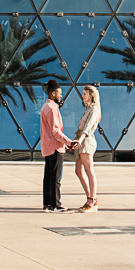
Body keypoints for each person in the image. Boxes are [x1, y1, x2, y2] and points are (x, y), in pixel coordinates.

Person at [39, 79, 73, 212]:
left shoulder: (45, 107)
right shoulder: (52, 109)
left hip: (49, 147)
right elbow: (55, 131)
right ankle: (56, 204)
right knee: (55, 178)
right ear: (53, 94)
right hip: (55, 147)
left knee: (48, 176)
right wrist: (69, 142)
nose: (61, 96)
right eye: (59, 94)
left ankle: (47, 203)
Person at [72, 84, 101, 212]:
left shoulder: (94, 109)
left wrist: (80, 140)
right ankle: (91, 199)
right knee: (78, 171)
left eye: (85, 94)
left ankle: (92, 200)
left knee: (89, 171)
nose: (82, 96)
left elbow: (88, 127)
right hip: (80, 140)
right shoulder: (88, 108)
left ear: (91, 95)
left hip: (86, 141)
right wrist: (76, 140)